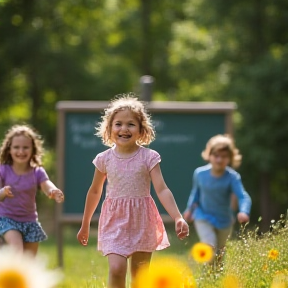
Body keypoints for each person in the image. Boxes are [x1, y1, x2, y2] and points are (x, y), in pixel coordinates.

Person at [77, 94, 189, 288]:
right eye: (118, 124)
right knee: (117, 269)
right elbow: (95, 191)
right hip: (114, 220)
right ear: (110, 129)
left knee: (140, 277)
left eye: (131, 124)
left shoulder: (149, 157)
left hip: (142, 220)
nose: (124, 129)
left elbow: (162, 189)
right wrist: (85, 223)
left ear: (141, 130)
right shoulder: (104, 159)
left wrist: (178, 217)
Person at [0, 124, 64, 256]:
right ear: (9, 149)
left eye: (25, 147)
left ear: (33, 149)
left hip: (30, 221)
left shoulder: (37, 172)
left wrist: (53, 191)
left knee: (29, 262)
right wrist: (3, 192)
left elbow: (46, 184)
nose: (21, 151)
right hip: (7, 219)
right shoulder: (3, 170)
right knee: (16, 252)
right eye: (16, 147)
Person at [183, 134, 251, 255]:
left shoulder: (232, 177)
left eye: (224, 157)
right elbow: (195, 194)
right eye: (216, 155)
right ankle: (205, 273)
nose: (219, 160)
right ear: (209, 155)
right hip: (203, 216)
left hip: (224, 220)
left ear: (230, 158)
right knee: (210, 247)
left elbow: (243, 196)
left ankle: (212, 274)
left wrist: (244, 211)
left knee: (219, 255)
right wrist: (190, 209)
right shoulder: (200, 174)